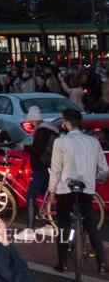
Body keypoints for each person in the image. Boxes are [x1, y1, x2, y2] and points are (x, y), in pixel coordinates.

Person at [46, 108, 109, 273]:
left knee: (64, 225)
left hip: (65, 189)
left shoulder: (60, 142)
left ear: (66, 123)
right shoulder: (93, 142)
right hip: (86, 188)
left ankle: (63, 262)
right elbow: (103, 168)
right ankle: (102, 263)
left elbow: (56, 169)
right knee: (91, 225)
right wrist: (100, 178)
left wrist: (52, 191)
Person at [22, 106, 59, 231]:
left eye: (31, 121)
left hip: (40, 168)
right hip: (49, 166)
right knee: (46, 197)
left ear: (33, 120)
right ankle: (50, 225)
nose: (31, 123)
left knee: (31, 196)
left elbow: (38, 149)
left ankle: (30, 227)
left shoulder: (42, 131)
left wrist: (24, 147)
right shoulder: (50, 128)